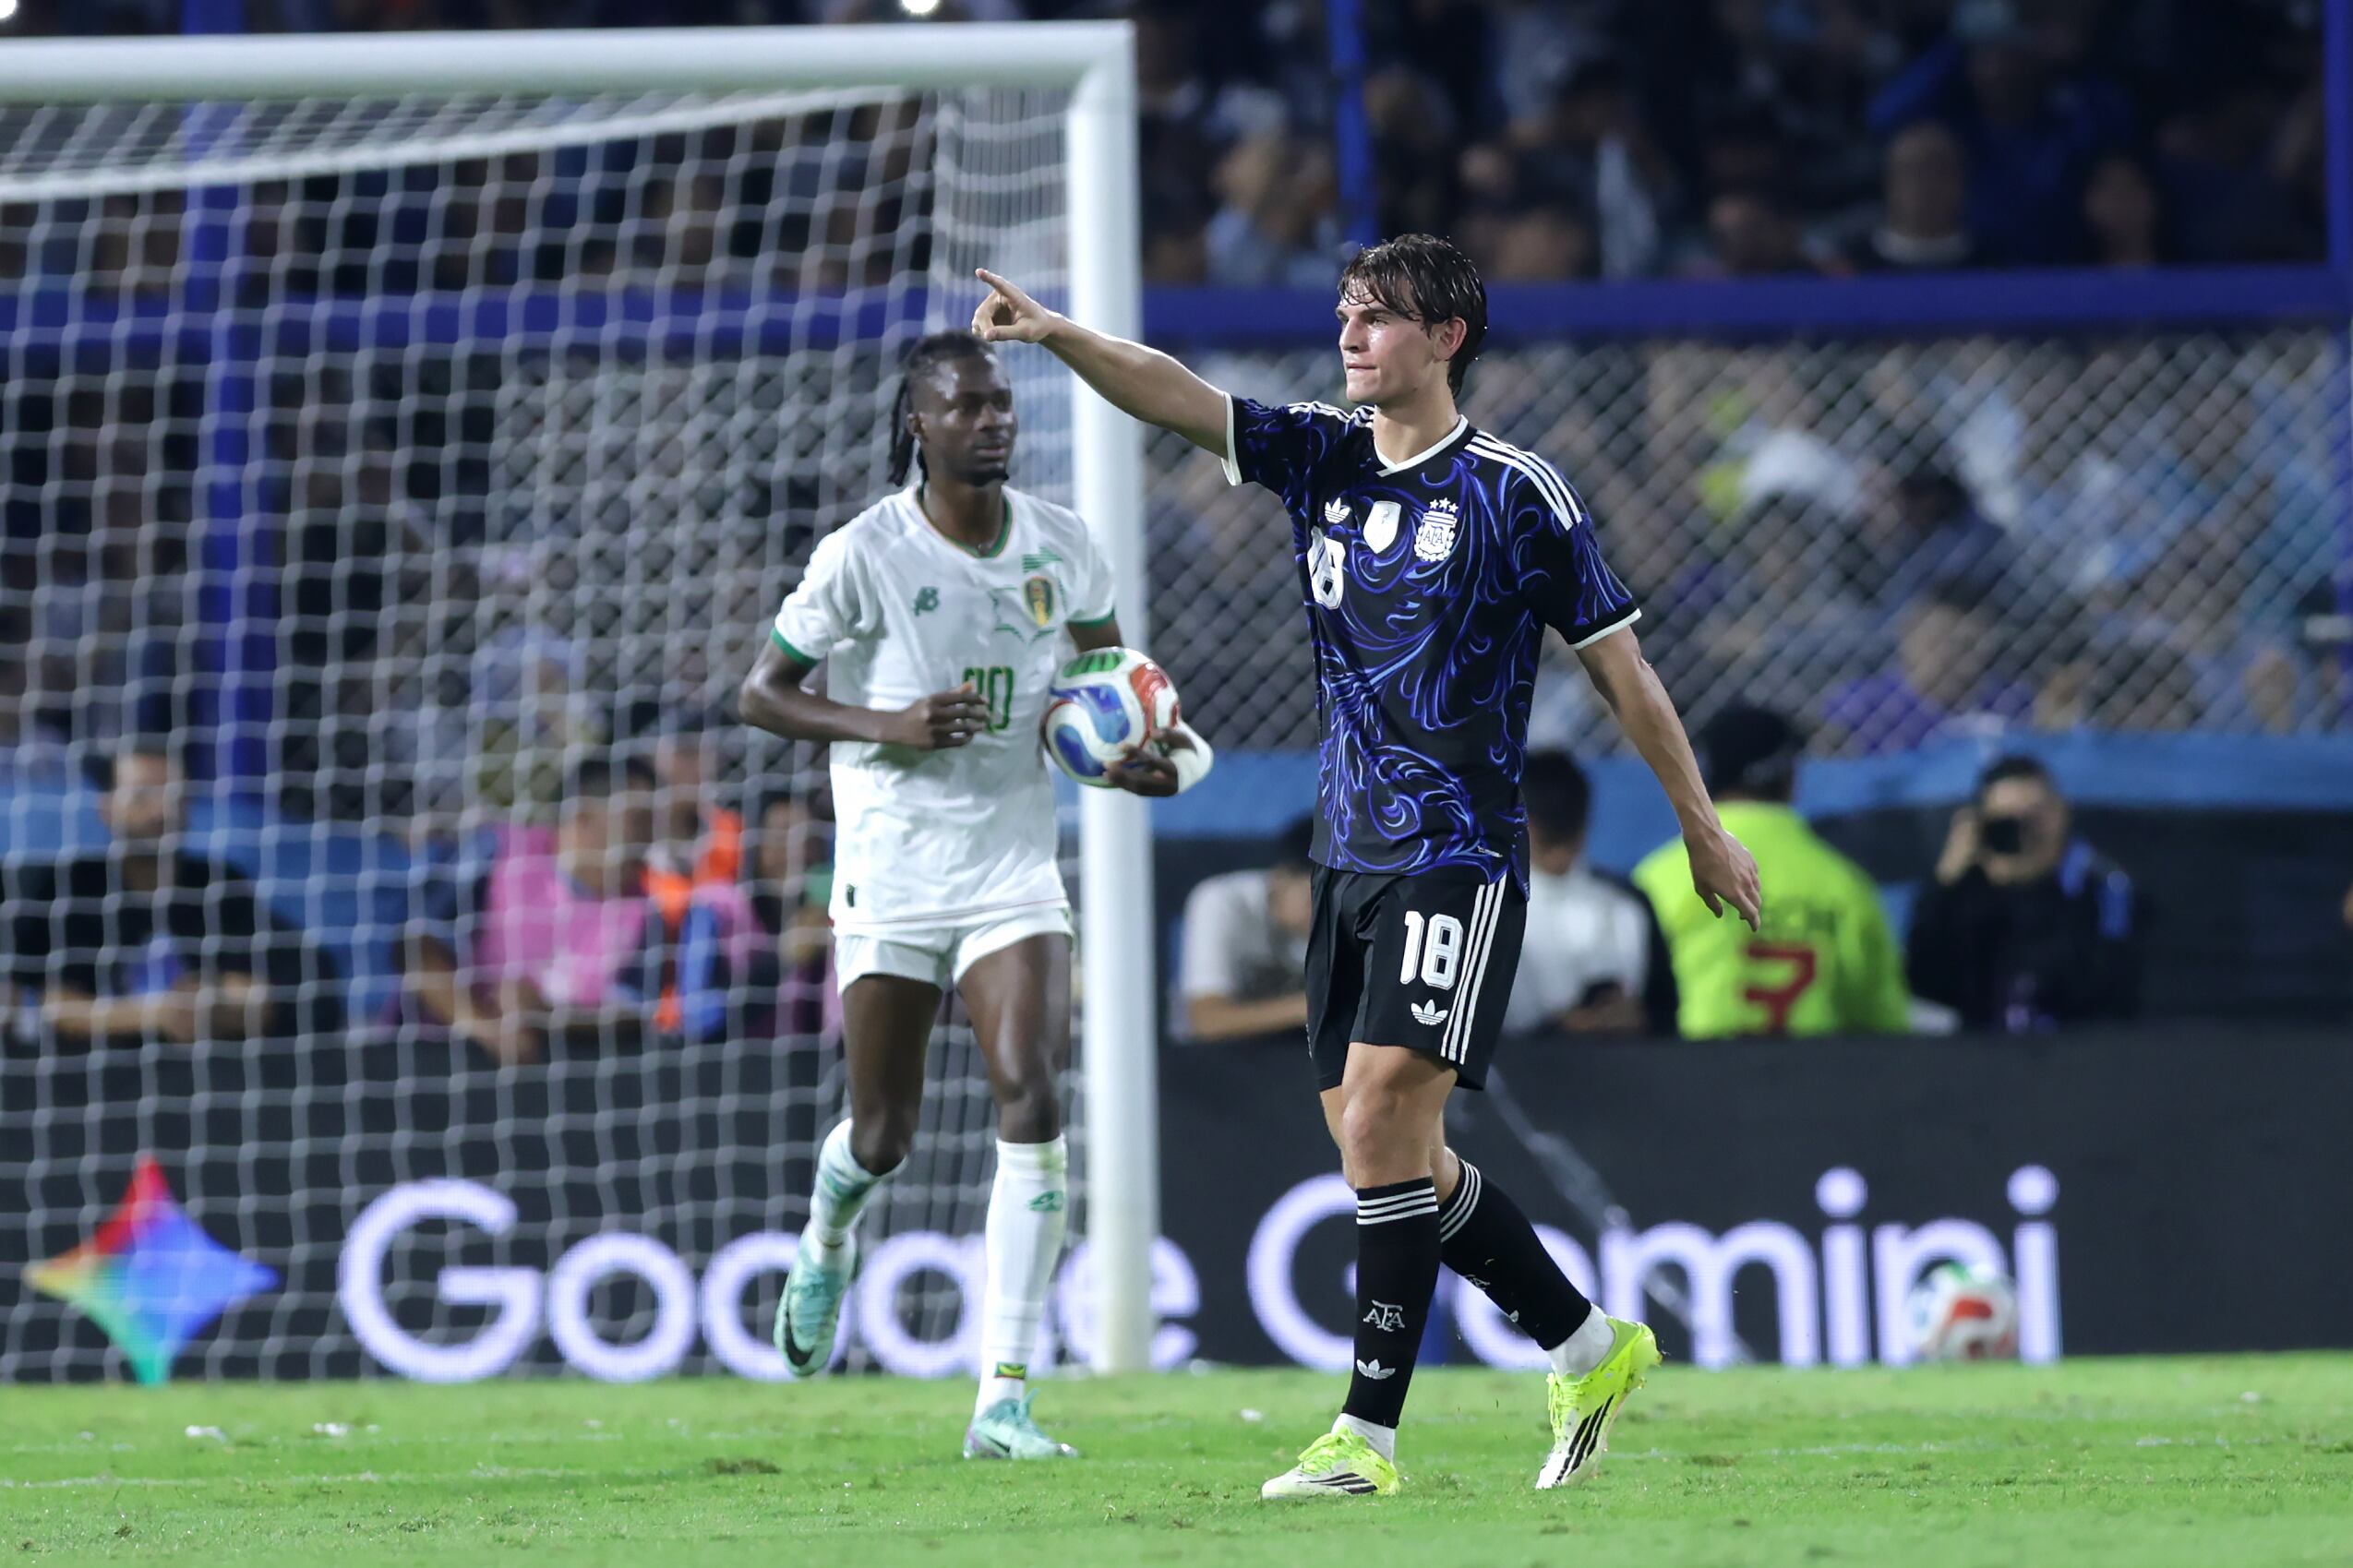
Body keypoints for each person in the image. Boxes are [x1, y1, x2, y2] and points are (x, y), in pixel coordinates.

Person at [971, 233, 1760, 1498]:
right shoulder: (1322, 456)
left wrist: (1699, 820)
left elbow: (1620, 664)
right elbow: (1179, 395)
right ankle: (1583, 1340)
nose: (1351, 336)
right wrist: (1061, 334)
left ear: (1445, 338)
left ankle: (1365, 1437)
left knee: (1388, 1114)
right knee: (1380, 1143)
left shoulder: (1516, 494)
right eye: (1345, 313)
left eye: (1378, 318)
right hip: (1350, 850)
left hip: (1459, 850)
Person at [738, 330, 1214, 1463]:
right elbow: (761, 694)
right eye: (966, 407)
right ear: (920, 423)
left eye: (999, 405)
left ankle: (1003, 1398)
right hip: (893, 866)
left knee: (1031, 1092)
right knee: (885, 1131)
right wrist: (882, 724)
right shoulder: (862, 554)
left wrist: (1145, 759)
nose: (991, 421)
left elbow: (1121, 695)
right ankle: (827, 1228)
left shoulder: (1062, 547)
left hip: (1010, 866)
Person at [2, 737, 340, 1048]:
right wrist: (160, 1014)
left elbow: (303, 979)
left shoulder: (216, 887)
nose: (160, 811)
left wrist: (232, 1003)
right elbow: (46, 1002)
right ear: (107, 810)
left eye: (174, 796)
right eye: (142, 795)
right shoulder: (74, 890)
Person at [1635, 706, 1909, 1040]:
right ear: (1789, 775)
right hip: (1815, 1079)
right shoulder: (1842, 882)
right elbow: (1881, 1015)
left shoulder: (1660, 877)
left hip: (1696, 1077)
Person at [1906, 755, 2144, 1031]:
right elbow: (1922, 983)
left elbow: (2103, 990)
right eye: (2007, 823)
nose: (2023, 835)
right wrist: (1945, 884)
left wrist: (2031, 892)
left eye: (2034, 819)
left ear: (2061, 814)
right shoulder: (1964, 894)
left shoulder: (2101, 889)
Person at [1503, 750, 1674, 1038]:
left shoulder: (1627, 904)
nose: (1559, 853)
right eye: (1549, 836)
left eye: (1565, 833)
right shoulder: (1489, 906)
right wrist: (1557, 1031)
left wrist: (1639, 1018)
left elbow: (1666, 1012)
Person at [1177, 816, 1315, 1044]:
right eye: (1313, 901)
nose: (1325, 918)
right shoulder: (1221, 902)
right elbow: (1205, 1020)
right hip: (1217, 1059)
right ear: (1282, 877)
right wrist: (1310, 1007)